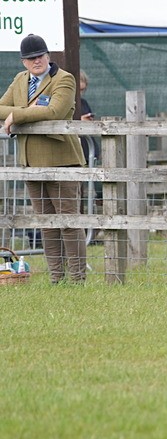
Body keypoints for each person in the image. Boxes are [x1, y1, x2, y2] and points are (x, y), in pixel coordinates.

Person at [0, 34, 87, 282]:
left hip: (62, 160)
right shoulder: (20, 80)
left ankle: (77, 279)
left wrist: (17, 116)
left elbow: (55, 111)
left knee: (68, 222)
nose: (36, 61)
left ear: (48, 56)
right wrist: (28, 111)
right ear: (23, 61)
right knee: (47, 224)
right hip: (30, 162)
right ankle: (56, 278)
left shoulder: (64, 79)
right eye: (30, 58)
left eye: (39, 56)